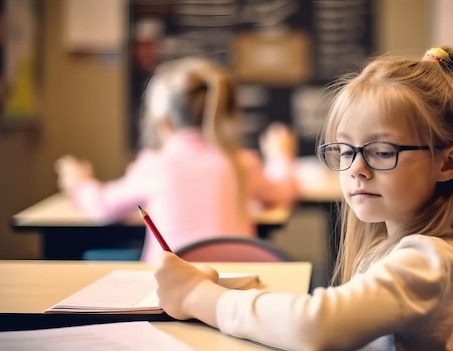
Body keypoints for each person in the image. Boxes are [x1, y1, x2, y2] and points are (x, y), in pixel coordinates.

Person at [153, 47, 453, 351]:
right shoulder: (395, 251)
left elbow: (315, 326)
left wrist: (197, 298)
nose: (357, 169)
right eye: (345, 151)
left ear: (448, 163)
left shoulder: (429, 263)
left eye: (383, 151)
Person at [55, 57, 299, 263]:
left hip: (170, 293)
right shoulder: (241, 162)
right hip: (235, 293)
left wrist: (81, 183)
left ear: (165, 122)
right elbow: (283, 192)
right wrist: (280, 156)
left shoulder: (154, 165)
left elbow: (104, 207)